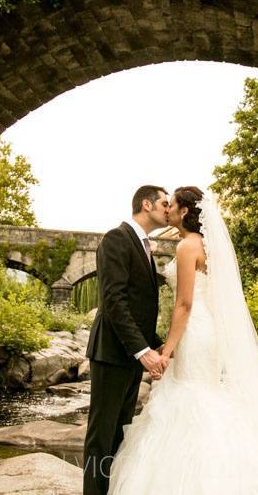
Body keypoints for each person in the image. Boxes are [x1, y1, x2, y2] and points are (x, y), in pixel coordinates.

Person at [107, 186, 258, 494]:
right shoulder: (205, 246)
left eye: (170, 205)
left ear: (184, 211)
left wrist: (166, 352)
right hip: (206, 333)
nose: (167, 209)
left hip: (194, 332)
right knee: (204, 395)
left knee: (191, 398)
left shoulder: (187, 247)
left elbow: (184, 305)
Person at [83, 185, 172, 495]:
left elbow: (139, 305)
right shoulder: (116, 239)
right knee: (101, 437)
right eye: (164, 202)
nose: (168, 208)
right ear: (146, 204)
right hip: (111, 353)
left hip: (131, 356)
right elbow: (114, 301)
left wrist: (158, 344)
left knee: (120, 434)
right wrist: (142, 350)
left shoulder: (145, 246)